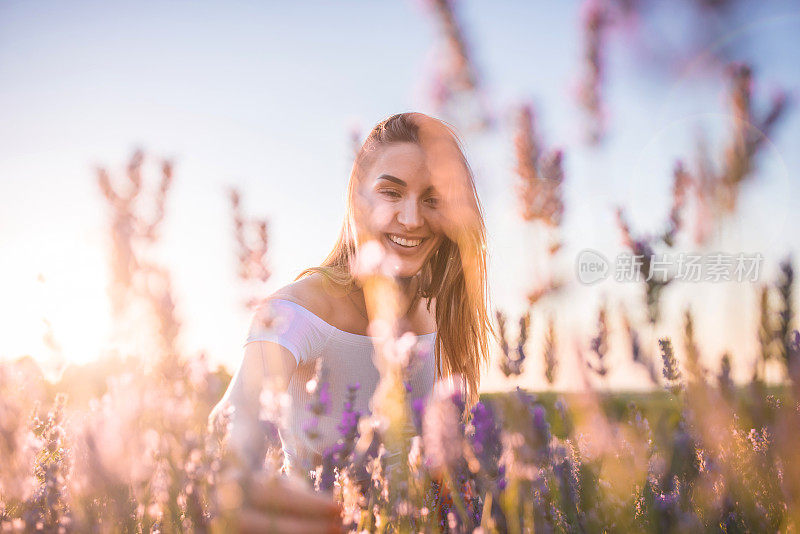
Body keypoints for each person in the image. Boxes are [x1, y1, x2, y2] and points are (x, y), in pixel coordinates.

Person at [209, 112, 495, 533]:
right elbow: (236, 412)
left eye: (433, 198)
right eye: (391, 192)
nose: (412, 218)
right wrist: (236, 473)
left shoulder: (436, 311)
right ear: (357, 196)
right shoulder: (298, 308)